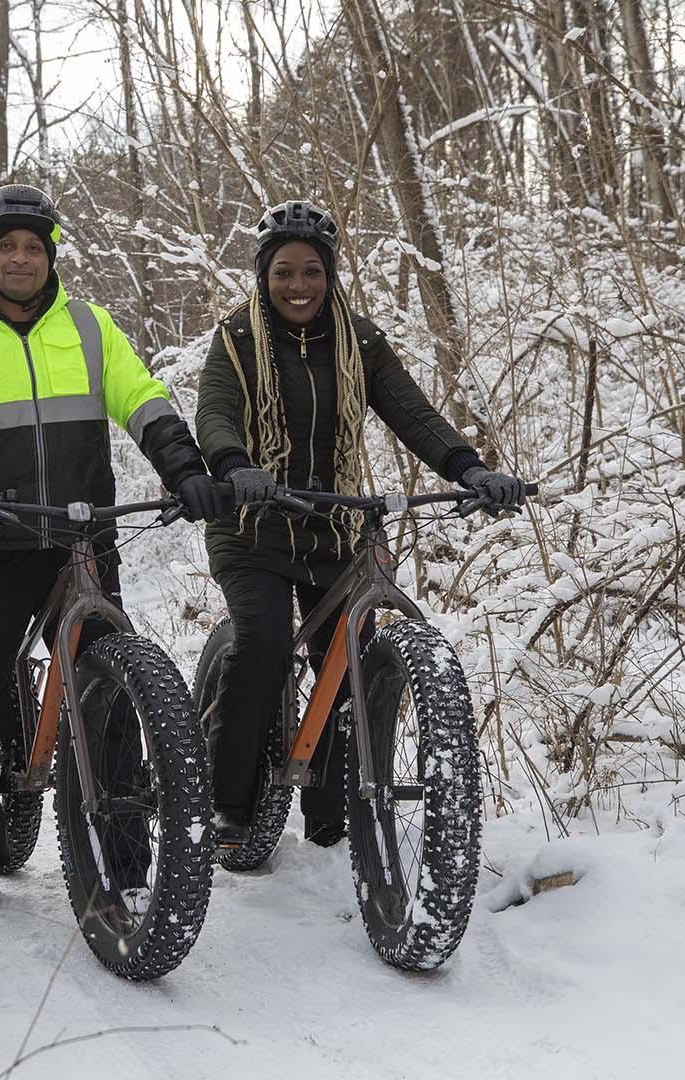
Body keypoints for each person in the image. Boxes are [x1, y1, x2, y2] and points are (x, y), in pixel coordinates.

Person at [0, 183, 222, 916]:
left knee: (108, 700)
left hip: (81, 540)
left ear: (51, 257)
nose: (21, 258)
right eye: (7, 247)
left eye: (34, 247)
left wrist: (185, 469)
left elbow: (143, 400)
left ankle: (126, 862)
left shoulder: (88, 327)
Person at [194, 200, 529, 848]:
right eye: (284, 272)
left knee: (346, 663)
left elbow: (414, 414)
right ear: (264, 275)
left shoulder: (360, 341)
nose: (299, 286)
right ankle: (227, 804)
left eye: (312, 271)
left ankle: (329, 815)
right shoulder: (236, 338)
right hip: (253, 528)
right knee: (262, 643)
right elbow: (215, 413)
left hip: (334, 530)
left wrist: (470, 469)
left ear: (332, 274)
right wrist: (235, 465)